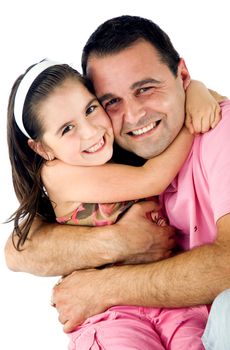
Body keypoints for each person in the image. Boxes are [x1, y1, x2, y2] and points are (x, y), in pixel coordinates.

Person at [4, 14, 229, 348]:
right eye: (112, 102)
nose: (134, 115)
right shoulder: (89, 163)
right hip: (115, 318)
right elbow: (18, 251)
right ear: (41, 148)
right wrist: (120, 241)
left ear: (181, 74)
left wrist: (102, 287)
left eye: (146, 89)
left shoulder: (213, 132)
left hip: (185, 311)